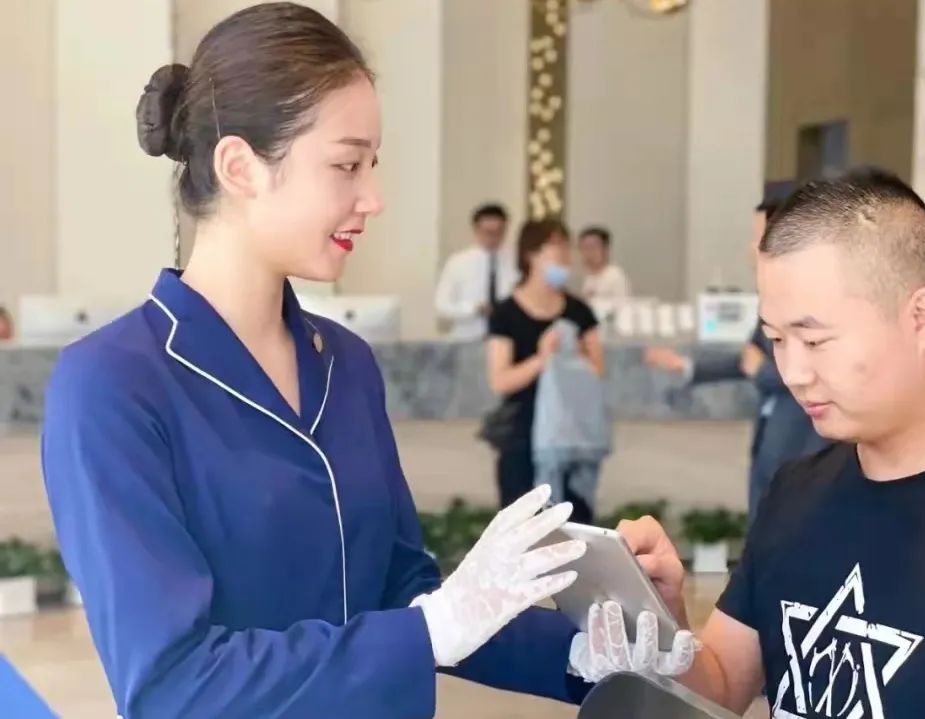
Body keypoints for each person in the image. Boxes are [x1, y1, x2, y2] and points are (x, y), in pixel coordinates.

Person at [39, 5, 594, 716]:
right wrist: (430, 630)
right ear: (240, 166)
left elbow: (407, 591)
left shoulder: (347, 364)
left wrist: (583, 654)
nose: (373, 199)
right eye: (346, 165)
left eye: (372, 166)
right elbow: (172, 687)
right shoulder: (111, 385)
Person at [609, 169, 925, 717]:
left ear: (922, 318)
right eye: (777, 339)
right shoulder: (796, 492)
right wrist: (659, 620)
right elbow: (722, 683)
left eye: (814, 340)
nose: (793, 372)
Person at [645, 181, 826, 525]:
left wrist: (761, 372)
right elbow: (747, 358)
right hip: (770, 443)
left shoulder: (814, 304)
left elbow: (811, 373)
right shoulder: (772, 300)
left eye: (758, 238)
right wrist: (686, 365)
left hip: (800, 446)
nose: (751, 248)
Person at [486, 219, 603, 520]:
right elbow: (500, 380)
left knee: (574, 525)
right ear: (531, 255)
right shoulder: (507, 313)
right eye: (555, 249)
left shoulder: (579, 312)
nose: (564, 258)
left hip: (571, 435)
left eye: (566, 250)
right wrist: (542, 358)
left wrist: (574, 353)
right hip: (523, 436)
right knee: (523, 528)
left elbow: (597, 371)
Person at [434, 203, 517, 341]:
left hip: (507, 340)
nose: (493, 237)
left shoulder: (516, 261)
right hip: (468, 339)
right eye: (488, 232)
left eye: (499, 231)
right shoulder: (458, 262)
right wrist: (473, 309)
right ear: (476, 230)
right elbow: (441, 307)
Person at [578, 226, 631, 302]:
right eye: (585, 248)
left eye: (593, 247)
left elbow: (623, 306)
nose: (589, 253)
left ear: (605, 249)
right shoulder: (589, 278)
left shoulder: (615, 276)